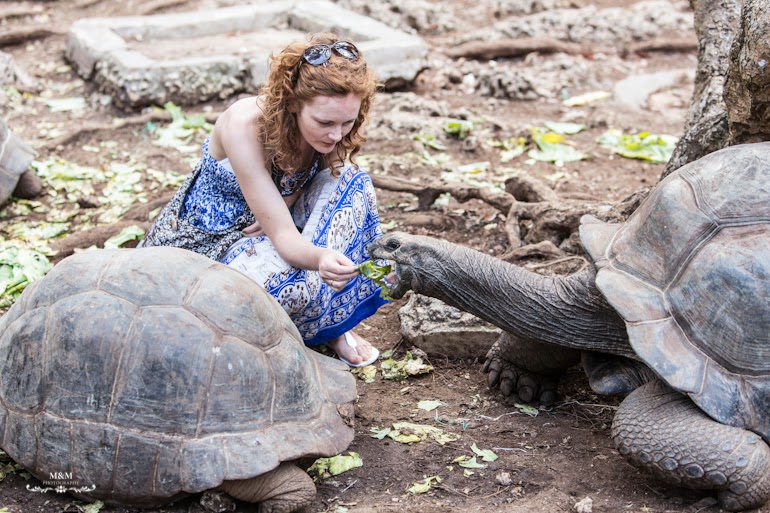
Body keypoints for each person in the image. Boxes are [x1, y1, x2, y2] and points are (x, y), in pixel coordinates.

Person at [139, 33, 389, 366]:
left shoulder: (338, 128)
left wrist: (285, 203)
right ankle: (312, 326)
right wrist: (322, 257)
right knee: (277, 282)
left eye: (348, 121)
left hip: (274, 227)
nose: (336, 134)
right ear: (292, 103)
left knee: (354, 183)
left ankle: (332, 322)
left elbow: (309, 183)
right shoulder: (245, 125)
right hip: (212, 244)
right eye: (324, 122)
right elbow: (285, 240)